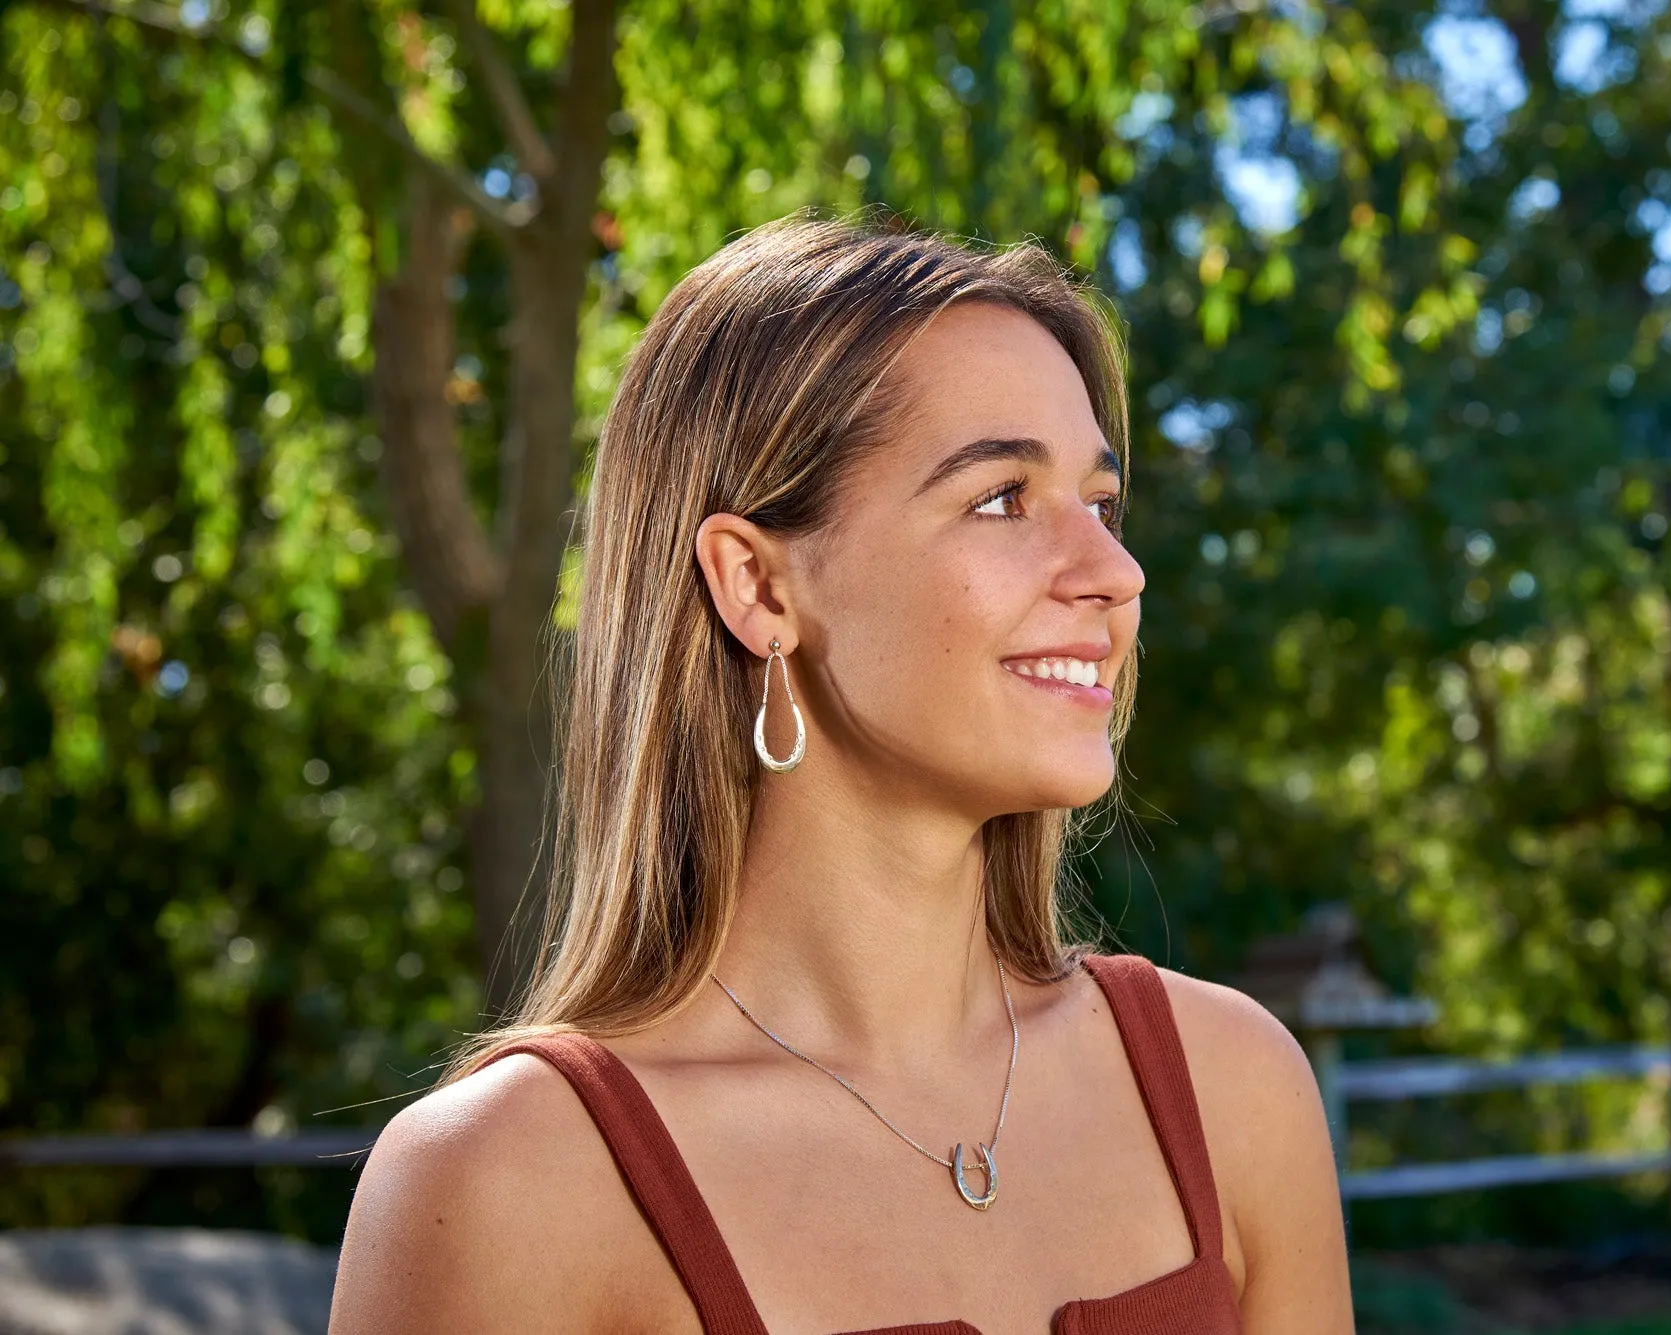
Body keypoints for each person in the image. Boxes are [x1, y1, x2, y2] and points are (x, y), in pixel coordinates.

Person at [330, 214, 1352, 1333]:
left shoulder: (1230, 1094)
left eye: (1100, 505)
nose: (1114, 572)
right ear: (758, 589)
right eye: (1001, 497)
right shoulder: (505, 1189)